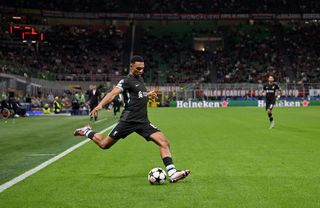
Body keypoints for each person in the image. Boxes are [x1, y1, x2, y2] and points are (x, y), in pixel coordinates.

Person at [74, 56, 190, 183]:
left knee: (164, 142)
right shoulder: (126, 81)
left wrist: (147, 94)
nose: (141, 71)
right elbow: (112, 93)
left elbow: (137, 95)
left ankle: (172, 173)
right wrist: (100, 105)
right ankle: (86, 131)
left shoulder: (140, 79)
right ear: (131, 66)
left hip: (143, 121)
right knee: (104, 144)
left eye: (143, 68)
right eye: (138, 68)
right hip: (128, 121)